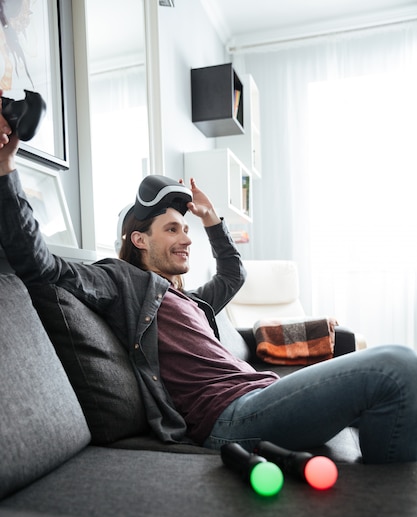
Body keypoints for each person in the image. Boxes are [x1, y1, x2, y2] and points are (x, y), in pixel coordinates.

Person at [1, 100, 417, 464]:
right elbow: (40, 265)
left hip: (259, 394)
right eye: (172, 230)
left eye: (186, 229)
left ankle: (382, 503)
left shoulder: (191, 301)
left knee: (397, 387)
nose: (186, 239)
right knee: (396, 365)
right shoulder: (120, 279)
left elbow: (234, 274)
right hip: (231, 416)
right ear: (139, 240)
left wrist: (213, 222)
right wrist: (7, 169)